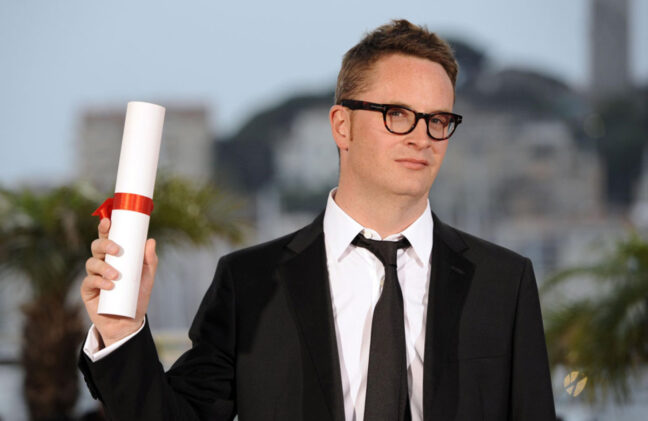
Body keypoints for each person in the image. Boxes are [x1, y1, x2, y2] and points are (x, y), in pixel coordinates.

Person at [79, 19, 556, 421]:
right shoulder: (249, 283)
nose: (422, 137)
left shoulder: (504, 282)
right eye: (397, 114)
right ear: (342, 126)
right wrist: (121, 333)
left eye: (438, 120)